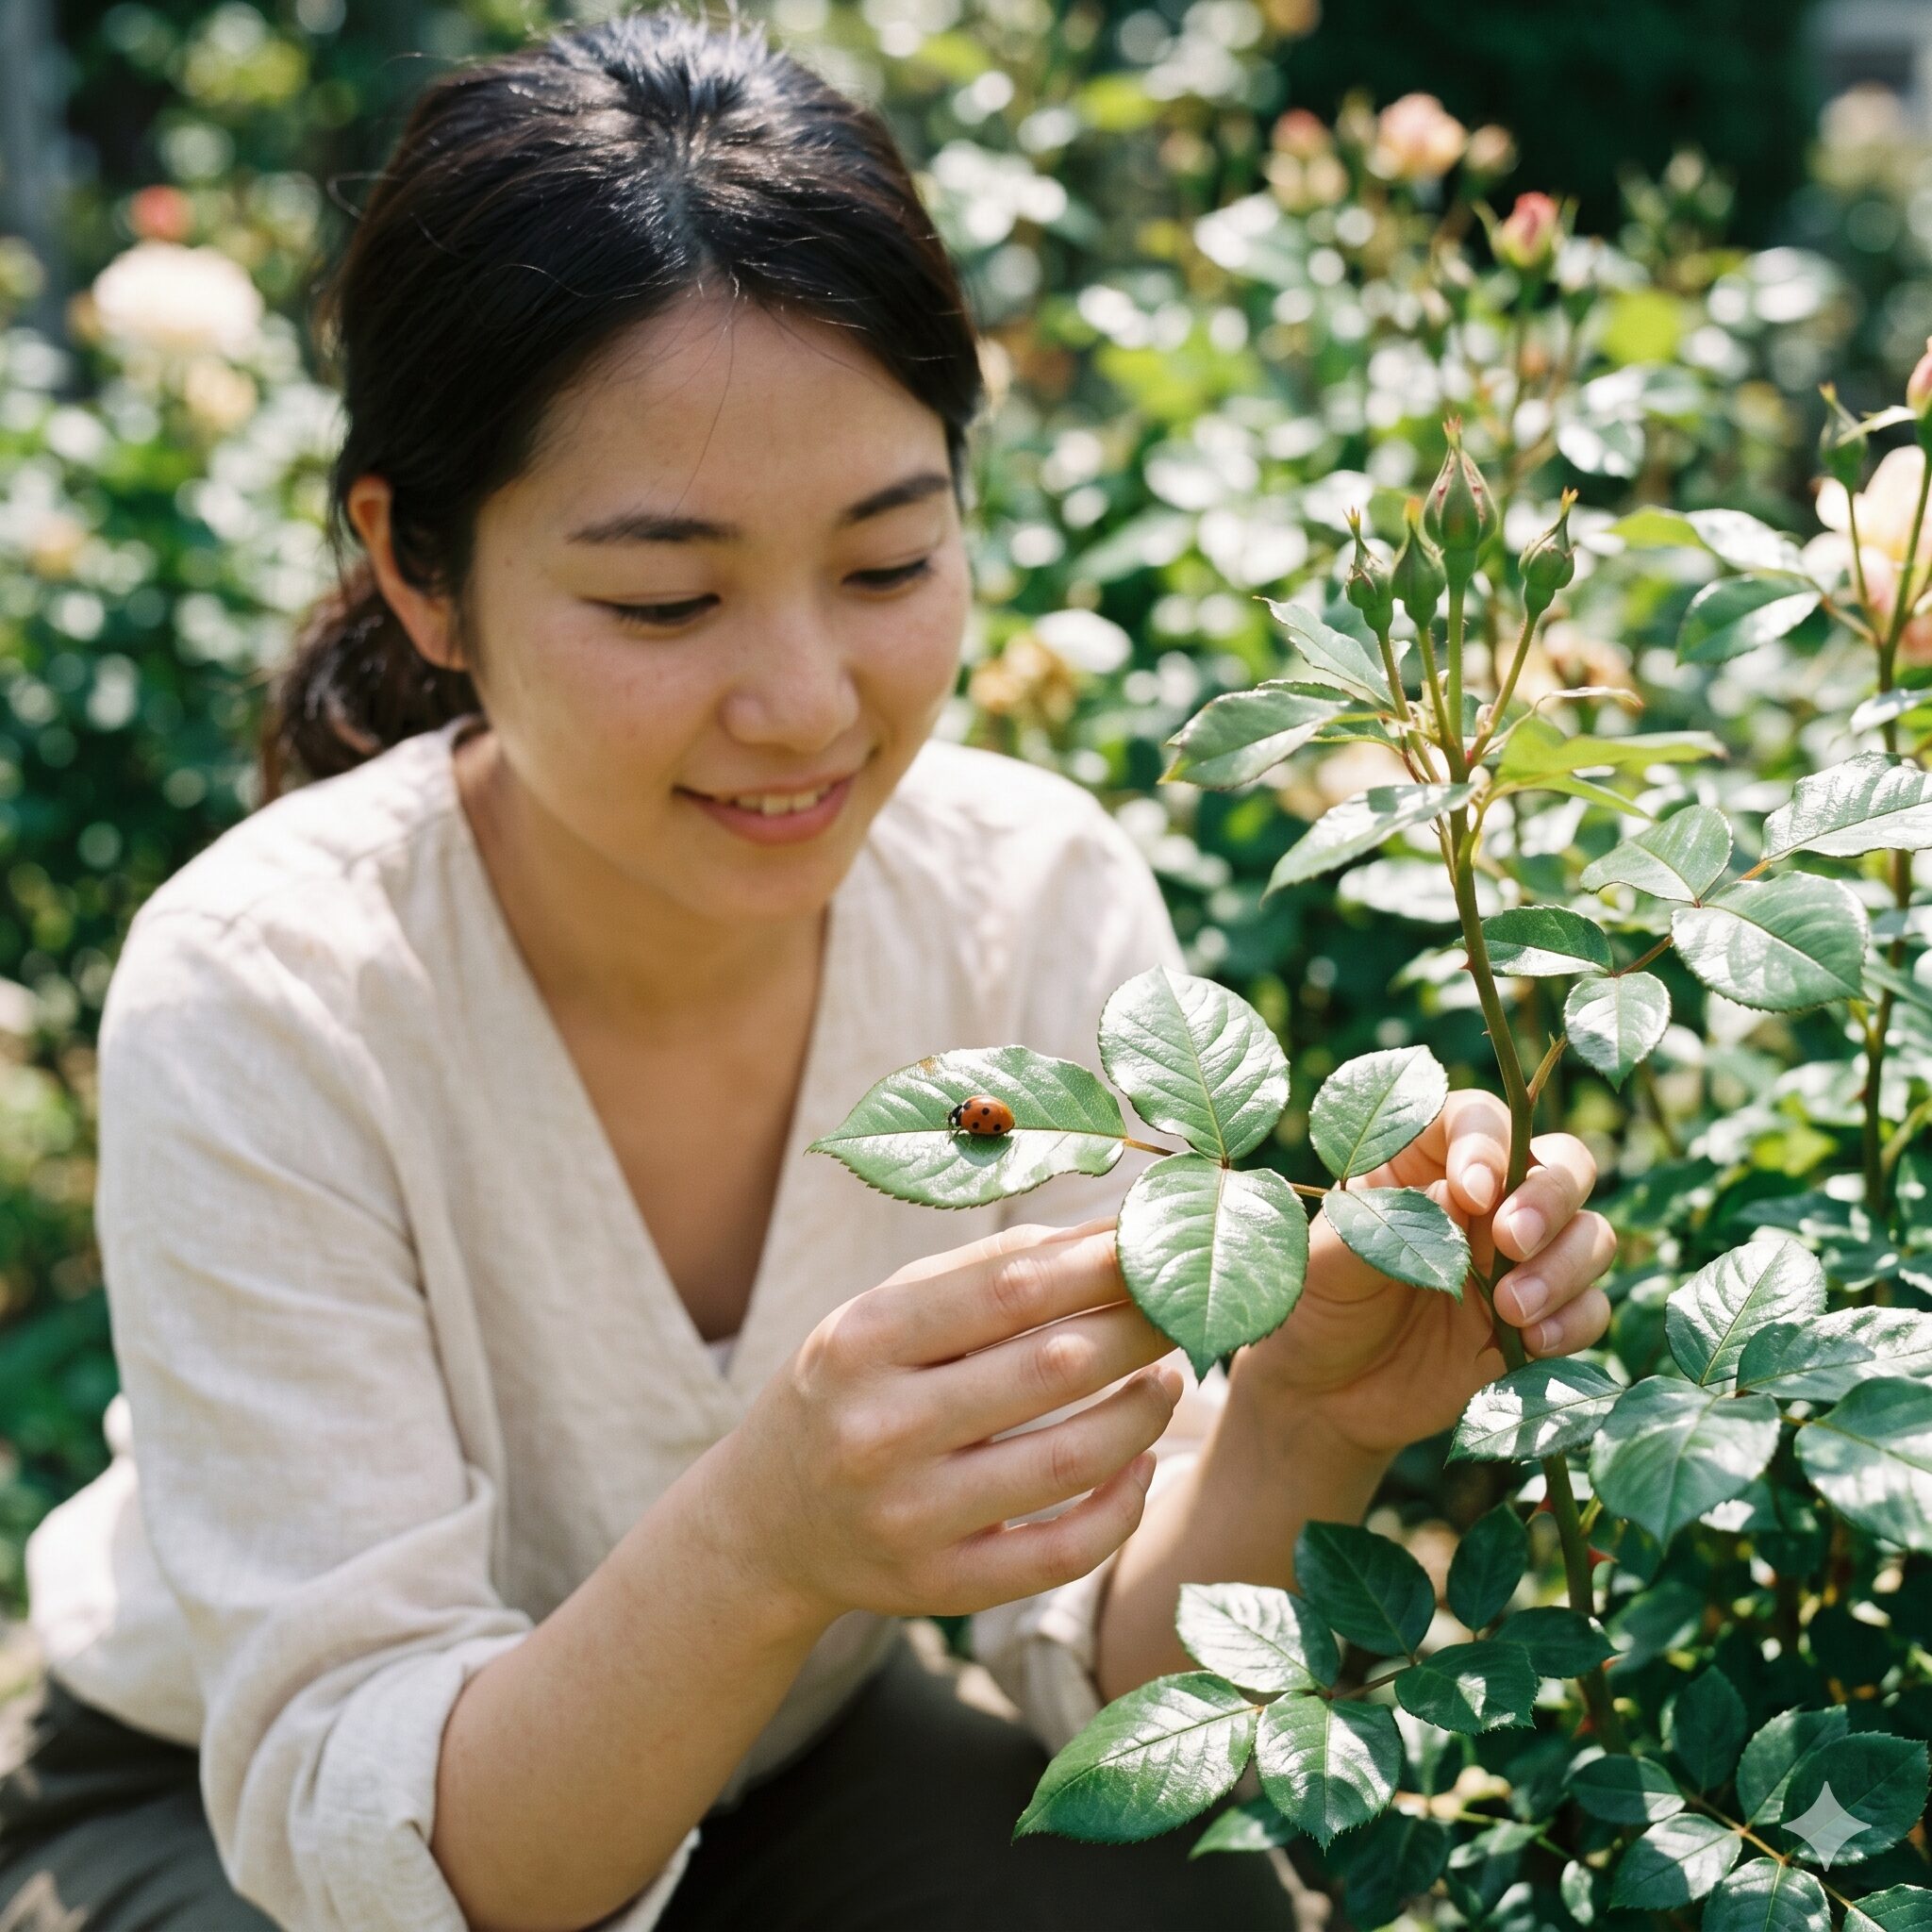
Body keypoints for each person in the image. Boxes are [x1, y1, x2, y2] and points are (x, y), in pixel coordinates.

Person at [0, 8, 1617, 1929]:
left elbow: (1113, 1659)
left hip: (790, 1740)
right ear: (421, 570)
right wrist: (765, 1538)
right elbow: (399, 1848)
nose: (800, 704)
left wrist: (1300, 1422)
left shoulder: (1022, 894)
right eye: (664, 598)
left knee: (1164, 1904)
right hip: (257, 1829)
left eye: (883, 562)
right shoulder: (271, 994)